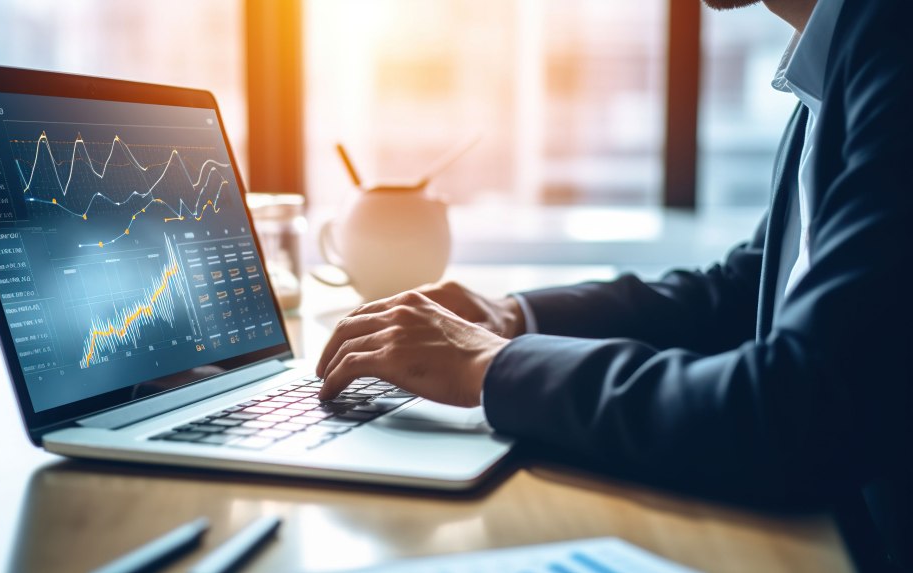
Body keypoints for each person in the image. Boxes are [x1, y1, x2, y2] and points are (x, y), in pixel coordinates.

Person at [316, 0, 911, 568]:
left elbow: (795, 410)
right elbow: (739, 296)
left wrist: (492, 366)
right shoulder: (840, 54)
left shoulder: (893, 53)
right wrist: (512, 316)